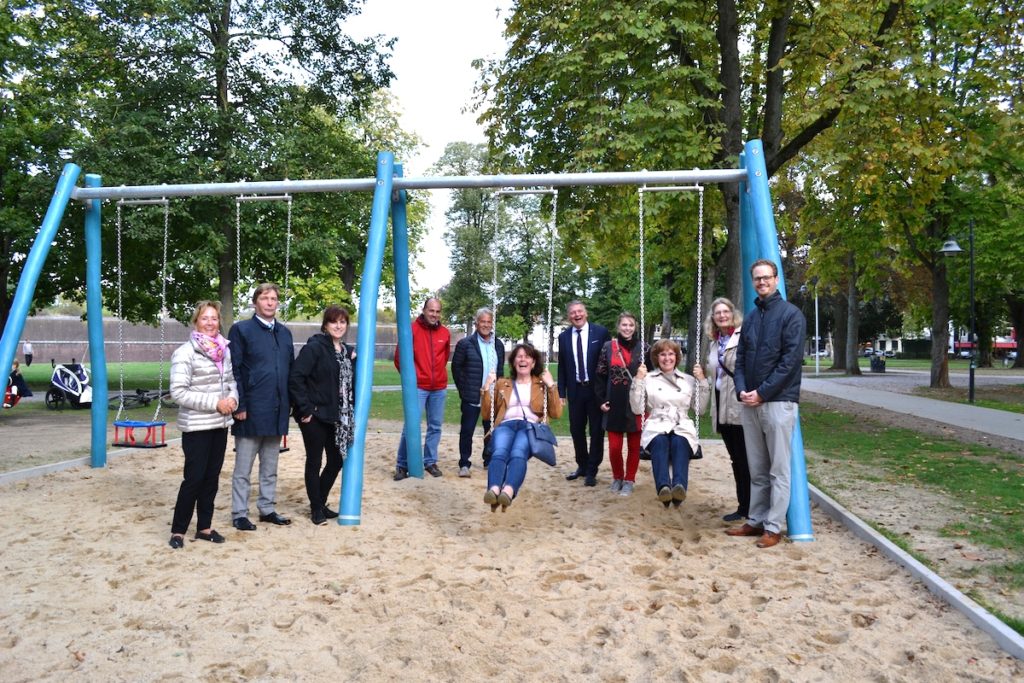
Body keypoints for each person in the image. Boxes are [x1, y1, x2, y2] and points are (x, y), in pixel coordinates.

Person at [726, 259, 806, 549]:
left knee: (779, 469)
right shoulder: (751, 318)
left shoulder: (791, 315)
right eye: (757, 279)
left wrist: (763, 392)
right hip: (751, 402)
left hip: (778, 402)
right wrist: (742, 389)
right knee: (756, 467)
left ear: (776, 279)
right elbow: (742, 358)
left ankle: (773, 526)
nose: (761, 282)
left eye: (766, 278)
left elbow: (790, 362)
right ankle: (756, 519)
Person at [168, 300, 239, 549]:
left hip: (219, 424)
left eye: (214, 318)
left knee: (212, 478)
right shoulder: (185, 352)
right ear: (196, 321)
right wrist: (215, 403)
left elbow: (231, 380)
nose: (210, 323)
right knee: (194, 478)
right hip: (197, 425)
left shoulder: (224, 349)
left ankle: (204, 527)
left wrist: (232, 398)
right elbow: (178, 391)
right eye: (205, 318)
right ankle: (178, 530)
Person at [228, 283, 294, 530]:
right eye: (265, 298)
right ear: (255, 302)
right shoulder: (241, 330)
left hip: (277, 410)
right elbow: (234, 369)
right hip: (251, 410)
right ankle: (239, 513)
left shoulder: (284, 333)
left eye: (274, 299)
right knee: (243, 468)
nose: (270, 302)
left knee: (270, 467)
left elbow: (290, 371)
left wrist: (290, 404)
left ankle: (266, 508)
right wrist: (240, 405)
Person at [289, 305, 356, 526]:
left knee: (336, 460)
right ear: (325, 325)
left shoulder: (346, 351)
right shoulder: (315, 348)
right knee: (314, 461)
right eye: (333, 321)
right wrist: (306, 410)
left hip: (337, 416)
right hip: (315, 416)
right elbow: (296, 378)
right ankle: (316, 508)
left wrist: (354, 359)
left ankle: (320, 501)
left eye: (342, 322)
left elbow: (348, 381)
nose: (338, 325)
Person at [480, 344, 562, 511]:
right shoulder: (503, 383)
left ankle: (508, 491)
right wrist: (486, 388)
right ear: (513, 362)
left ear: (533, 362)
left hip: (530, 427)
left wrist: (552, 386)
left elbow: (556, 413)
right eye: (519, 356)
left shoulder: (541, 384)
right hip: (506, 424)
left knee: (518, 453)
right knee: (499, 452)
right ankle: (494, 489)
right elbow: (487, 414)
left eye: (527, 357)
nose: (522, 359)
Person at [629, 339, 708, 508]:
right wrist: (637, 379)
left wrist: (702, 380)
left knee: (680, 442)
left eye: (671, 354)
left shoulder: (688, 379)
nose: (667, 358)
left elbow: (700, 409)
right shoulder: (647, 378)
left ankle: (679, 488)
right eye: (662, 354)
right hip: (657, 424)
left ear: (677, 357)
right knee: (659, 442)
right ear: (656, 358)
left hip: (681, 424)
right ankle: (663, 488)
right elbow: (637, 409)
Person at [394, 297, 450, 480]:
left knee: (435, 426)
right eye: (431, 310)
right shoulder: (411, 330)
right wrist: (411, 380)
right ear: (424, 310)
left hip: (439, 387)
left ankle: (430, 461)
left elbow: (444, 357)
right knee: (411, 425)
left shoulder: (445, 333)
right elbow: (399, 358)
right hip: (418, 387)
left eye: (437, 311)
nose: (434, 314)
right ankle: (402, 465)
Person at [704, 297, 749, 521]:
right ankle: (743, 505)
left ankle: (748, 507)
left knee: (744, 458)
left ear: (733, 313)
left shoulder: (742, 337)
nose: (722, 316)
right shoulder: (714, 342)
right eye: (717, 313)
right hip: (720, 400)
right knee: (734, 458)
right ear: (713, 318)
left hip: (737, 402)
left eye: (725, 311)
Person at [557, 300, 611, 486]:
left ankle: (592, 471)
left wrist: (607, 392)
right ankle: (582, 464)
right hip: (575, 390)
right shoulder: (563, 337)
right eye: (573, 313)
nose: (577, 315)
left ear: (586, 313)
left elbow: (608, 364)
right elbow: (562, 367)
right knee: (576, 430)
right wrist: (561, 392)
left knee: (596, 431)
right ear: (569, 316)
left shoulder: (601, 332)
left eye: (580, 311)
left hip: (595, 390)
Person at [594, 312, 649, 496]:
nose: (627, 328)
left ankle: (629, 480)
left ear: (635, 328)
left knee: (634, 446)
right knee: (615, 447)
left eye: (631, 325)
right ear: (618, 327)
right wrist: (601, 400)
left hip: (636, 403)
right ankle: (617, 477)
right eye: (624, 325)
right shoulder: (609, 347)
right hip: (613, 402)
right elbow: (600, 375)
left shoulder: (644, 348)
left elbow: (653, 375)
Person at [450, 308, 505, 477]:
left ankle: (488, 459)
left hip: (492, 396)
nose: (486, 325)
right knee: (467, 430)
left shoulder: (498, 344)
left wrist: (499, 390)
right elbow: (456, 368)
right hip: (472, 396)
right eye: (483, 321)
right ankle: (464, 463)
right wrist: (464, 389)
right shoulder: (465, 344)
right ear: (476, 323)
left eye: (489, 322)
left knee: (491, 429)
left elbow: (500, 369)